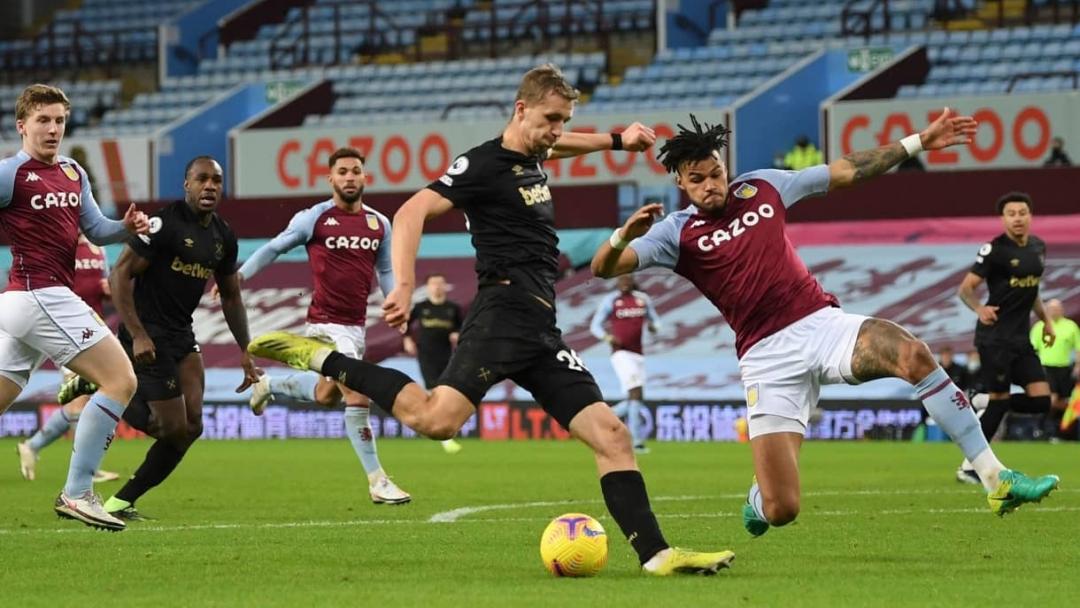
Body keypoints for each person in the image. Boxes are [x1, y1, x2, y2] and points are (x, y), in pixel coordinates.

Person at [248, 64, 735, 575]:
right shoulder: (481, 164)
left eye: (564, 119)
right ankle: (325, 360)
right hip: (502, 313)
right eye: (550, 119)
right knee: (437, 420)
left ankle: (656, 555)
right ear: (520, 110)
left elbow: (560, 145)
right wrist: (406, 286)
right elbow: (413, 211)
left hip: (540, 326)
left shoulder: (535, 152)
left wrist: (617, 140)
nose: (557, 130)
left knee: (611, 434)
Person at [589, 111, 1059, 539]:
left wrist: (919, 141)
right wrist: (620, 237)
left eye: (716, 173)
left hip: (820, 323)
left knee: (912, 352)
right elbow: (603, 268)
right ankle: (761, 495)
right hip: (765, 358)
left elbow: (847, 169)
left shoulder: (763, 187)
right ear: (680, 182)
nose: (712, 184)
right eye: (698, 180)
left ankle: (995, 478)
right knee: (782, 509)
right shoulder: (675, 233)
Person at [0, 84, 149, 531]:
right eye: (43, 120)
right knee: (120, 380)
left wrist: (125, 228)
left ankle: (78, 490)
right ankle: (78, 492)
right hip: (39, 295)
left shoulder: (72, 173)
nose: (52, 129)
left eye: (60, 120)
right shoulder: (10, 173)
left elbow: (96, 229)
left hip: (26, 304)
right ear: (22, 125)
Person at [234, 147, 411, 505]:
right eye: (342, 171)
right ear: (330, 178)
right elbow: (274, 248)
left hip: (355, 327)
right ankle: (377, 480)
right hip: (325, 325)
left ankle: (270, 383)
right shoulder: (315, 218)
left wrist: (393, 301)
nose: (349, 177)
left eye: (355, 171)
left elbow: (386, 270)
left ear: (365, 177)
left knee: (326, 394)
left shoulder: (379, 223)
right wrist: (238, 276)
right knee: (357, 391)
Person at [95, 156, 260, 520]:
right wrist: (137, 334)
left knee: (191, 426)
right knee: (168, 428)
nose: (210, 186)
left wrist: (245, 351)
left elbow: (231, 295)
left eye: (216, 180)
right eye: (201, 179)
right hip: (147, 332)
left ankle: (120, 502)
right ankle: (98, 385)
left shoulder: (222, 236)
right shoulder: (163, 224)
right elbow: (120, 275)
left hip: (181, 334)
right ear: (187, 184)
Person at [955, 191, 1055, 482]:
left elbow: (1032, 290)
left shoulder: (1038, 247)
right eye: (1011, 214)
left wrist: (1047, 321)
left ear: (1030, 215)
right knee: (1000, 402)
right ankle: (968, 467)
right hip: (994, 338)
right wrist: (979, 308)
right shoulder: (994, 250)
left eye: (1022, 212)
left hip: (1021, 339)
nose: (1017, 218)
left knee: (1041, 401)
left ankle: (987, 399)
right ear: (1003, 219)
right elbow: (965, 288)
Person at [17, 232, 120, 483]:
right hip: (65, 329)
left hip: (92, 330)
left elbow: (101, 285)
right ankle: (87, 470)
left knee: (79, 402)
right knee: (80, 401)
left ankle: (32, 446)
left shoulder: (98, 249)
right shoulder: (58, 244)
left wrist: (108, 290)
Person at [589, 273, 660, 453]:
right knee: (635, 393)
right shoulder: (611, 300)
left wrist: (654, 328)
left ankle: (601, 420)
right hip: (621, 353)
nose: (624, 283)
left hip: (638, 354)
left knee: (636, 397)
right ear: (617, 282)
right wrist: (607, 337)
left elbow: (656, 321)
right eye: (621, 280)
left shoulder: (642, 300)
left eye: (627, 280)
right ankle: (637, 442)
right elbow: (595, 325)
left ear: (633, 281)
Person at [403, 273, 465, 455]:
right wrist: (407, 340)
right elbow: (405, 324)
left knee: (445, 390)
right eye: (433, 284)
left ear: (445, 286)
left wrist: (456, 333)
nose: (437, 287)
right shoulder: (422, 307)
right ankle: (442, 434)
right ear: (428, 287)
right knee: (433, 390)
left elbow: (461, 328)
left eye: (440, 283)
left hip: (447, 355)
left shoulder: (452, 308)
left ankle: (436, 425)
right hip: (426, 354)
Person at [1029, 298, 1079, 440]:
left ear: (1062, 310)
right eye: (1051, 308)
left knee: (1066, 402)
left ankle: (1058, 429)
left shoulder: (1071, 326)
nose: (1054, 311)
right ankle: (1042, 427)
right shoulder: (1039, 327)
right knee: (1052, 399)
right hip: (1046, 367)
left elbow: (1078, 347)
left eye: (1057, 308)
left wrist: (1078, 365)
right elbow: (1033, 349)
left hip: (1064, 368)